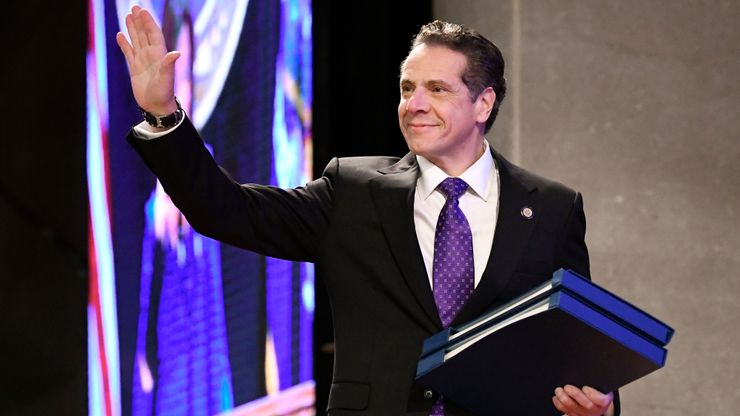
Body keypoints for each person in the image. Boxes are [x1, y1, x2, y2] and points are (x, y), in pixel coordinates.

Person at [117, 5, 618, 416]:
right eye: (407, 88)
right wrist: (164, 116)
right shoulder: (352, 192)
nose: (414, 104)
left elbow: (579, 347)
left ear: (483, 103)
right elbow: (226, 211)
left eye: (437, 89)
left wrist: (600, 402)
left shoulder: (551, 208)